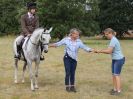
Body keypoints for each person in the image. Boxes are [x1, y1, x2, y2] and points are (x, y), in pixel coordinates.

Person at [49, 28, 95, 92]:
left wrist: (92, 50)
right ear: (72, 34)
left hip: (74, 59)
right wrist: (47, 45)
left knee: (72, 73)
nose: (78, 35)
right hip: (67, 58)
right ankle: (67, 86)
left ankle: (72, 87)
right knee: (68, 72)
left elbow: (85, 47)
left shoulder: (79, 41)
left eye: (78, 34)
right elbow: (57, 44)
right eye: (76, 34)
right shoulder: (66, 40)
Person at [96, 28, 125, 95]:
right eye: (105, 34)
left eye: (107, 34)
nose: (106, 36)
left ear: (110, 33)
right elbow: (109, 49)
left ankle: (118, 91)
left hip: (119, 59)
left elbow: (109, 51)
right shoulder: (112, 40)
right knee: (114, 75)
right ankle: (115, 89)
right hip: (115, 59)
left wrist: (99, 51)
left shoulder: (113, 40)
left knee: (116, 75)